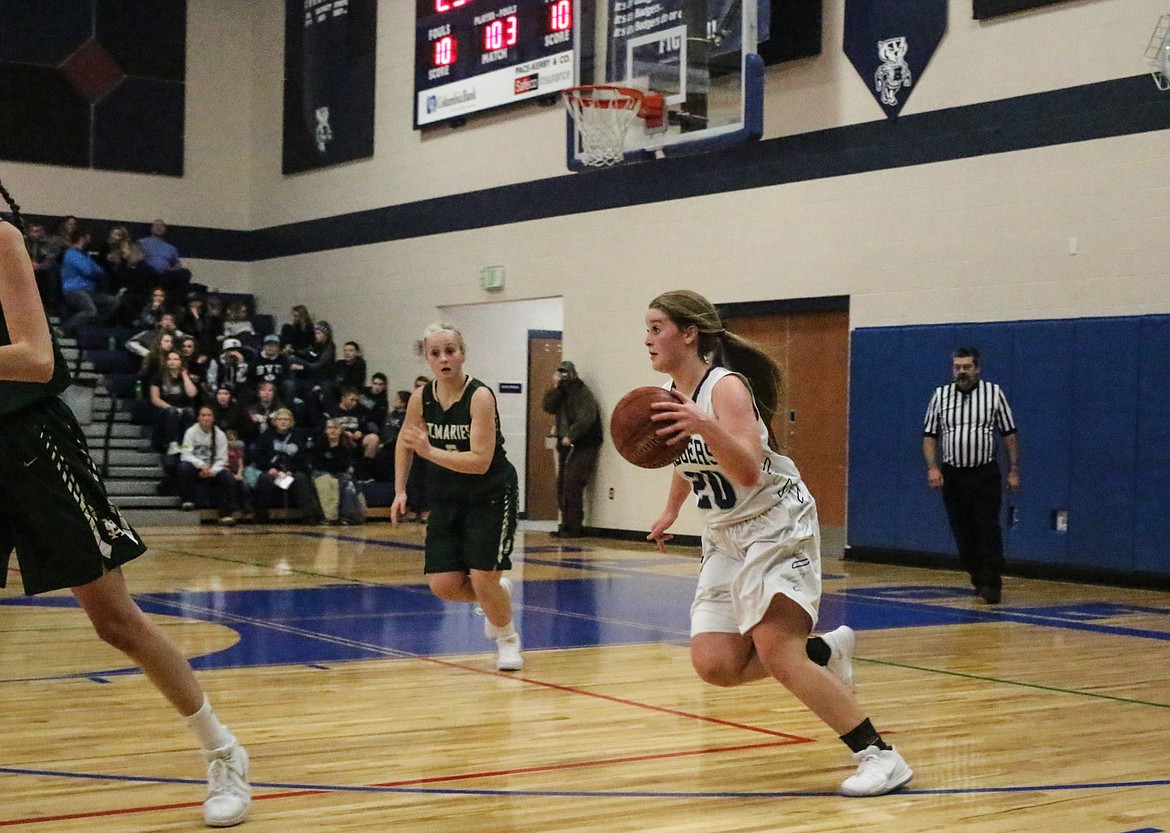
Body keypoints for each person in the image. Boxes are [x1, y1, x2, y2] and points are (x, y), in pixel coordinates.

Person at [0, 180, 250, 826]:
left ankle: (223, 752)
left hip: (31, 445)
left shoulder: (0, 240)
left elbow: (34, 357)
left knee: (115, 621)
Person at [641, 289, 912, 797]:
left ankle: (880, 756)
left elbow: (744, 470)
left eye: (657, 326)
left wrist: (703, 423)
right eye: (648, 327)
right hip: (726, 536)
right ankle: (825, 651)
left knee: (776, 649)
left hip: (774, 523)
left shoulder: (724, 389)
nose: (648, 337)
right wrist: (672, 508)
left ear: (689, 333)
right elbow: (686, 459)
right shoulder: (666, 393)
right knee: (716, 664)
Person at [391, 324, 522, 672]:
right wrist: (399, 490)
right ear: (426, 359)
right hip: (448, 496)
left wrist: (430, 451)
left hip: (490, 493)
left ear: (462, 353)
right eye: (435, 353)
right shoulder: (422, 398)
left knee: (481, 577)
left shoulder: (479, 396)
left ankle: (507, 638)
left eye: (450, 350)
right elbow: (406, 442)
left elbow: (480, 462)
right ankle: (498, 592)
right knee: (444, 585)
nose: (444, 358)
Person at [922, 347, 1019, 605]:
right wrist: (933, 467)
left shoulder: (994, 394)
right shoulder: (941, 396)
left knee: (987, 527)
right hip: (954, 475)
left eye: (967, 367)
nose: (962, 372)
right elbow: (930, 436)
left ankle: (992, 583)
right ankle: (978, 576)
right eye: (957, 367)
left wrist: (1013, 471)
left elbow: (1009, 435)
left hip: (985, 473)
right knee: (963, 531)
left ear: (977, 369)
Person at [541, 360, 603, 538]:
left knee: (572, 483)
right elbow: (547, 406)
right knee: (562, 484)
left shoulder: (582, 393)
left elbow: (586, 418)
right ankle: (566, 524)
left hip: (584, 443)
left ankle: (574, 525)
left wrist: (572, 435)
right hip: (566, 444)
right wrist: (556, 388)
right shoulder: (561, 393)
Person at [178, 405, 241, 526]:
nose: (206, 418)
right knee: (183, 467)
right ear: (198, 418)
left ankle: (225, 514)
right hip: (196, 467)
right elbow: (185, 454)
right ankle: (187, 500)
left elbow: (222, 458)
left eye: (209, 415)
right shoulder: (190, 432)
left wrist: (212, 470)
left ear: (213, 418)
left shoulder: (220, 435)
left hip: (213, 469)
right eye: (203, 415)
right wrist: (201, 465)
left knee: (227, 476)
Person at [58, 227, 118, 335]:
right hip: (74, 291)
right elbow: (90, 271)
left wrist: (96, 271)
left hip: (90, 291)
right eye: (88, 238)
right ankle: (63, 329)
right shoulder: (71, 253)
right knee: (90, 311)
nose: (90, 241)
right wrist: (96, 271)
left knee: (113, 302)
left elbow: (99, 271)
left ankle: (92, 328)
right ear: (82, 238)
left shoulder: (85, 255)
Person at [138, 218, 191, 301]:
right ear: (151, 229)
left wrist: (172, 269)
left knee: (185, 273)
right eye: (156, 225)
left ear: (165, 230)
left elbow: (177, 265)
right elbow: (136, 258)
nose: (159, 228)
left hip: (165, 275)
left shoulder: (171, 248)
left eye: (161, 226)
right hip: (148, 273)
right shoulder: (142, 243)